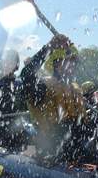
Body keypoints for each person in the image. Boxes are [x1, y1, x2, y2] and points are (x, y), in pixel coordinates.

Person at [20, 34, 93, 164]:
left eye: (74, 62)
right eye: (68, 61)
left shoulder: (75, 88)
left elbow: (84, 127)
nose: (72, 65)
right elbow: (26, 76)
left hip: (76, 149)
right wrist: (49, 48)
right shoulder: (42, 87)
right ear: (55, 64)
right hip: (51, 150)